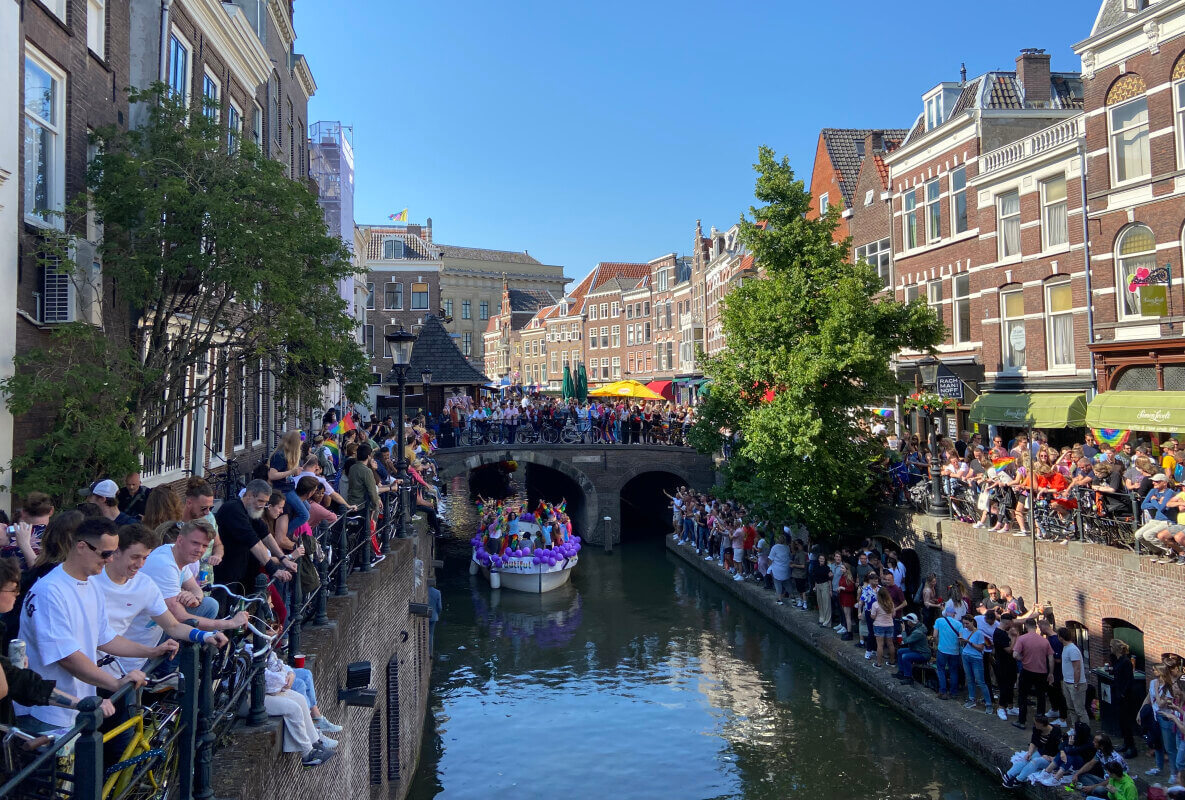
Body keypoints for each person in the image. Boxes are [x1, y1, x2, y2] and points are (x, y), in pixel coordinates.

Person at [15, 518, 175, 730]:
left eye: (113, 552)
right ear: (81, 546)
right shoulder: (49, 592)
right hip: (46, 712)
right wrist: (115, 683)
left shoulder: (90, 585)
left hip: (76, 707)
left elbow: (105, 637)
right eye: (105, 553)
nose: (110, 560)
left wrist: (152, 651)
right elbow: (67, 657)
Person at [92, 524, 239, 676]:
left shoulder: (145, 583)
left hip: (132, 667)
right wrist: (229, 623)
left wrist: (207, 635)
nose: (140, 565)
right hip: (98, 667)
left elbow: (173, 626)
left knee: (209, 605)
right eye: (135, 557)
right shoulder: (92, 581)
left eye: (145, 558)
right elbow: (103, 640)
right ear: (116, 552)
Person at [0, 557, 114, 725]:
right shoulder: (48, 590)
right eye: (13, 589)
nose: (18, 594)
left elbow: (20, 682)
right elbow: (4, 687)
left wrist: (79, 703)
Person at [213, 481, 295, 594]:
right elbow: (253, 541)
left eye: (265, 502)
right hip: (227, 575)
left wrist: (283, 558)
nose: (262, 505)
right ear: (249, 495)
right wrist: (273, 569)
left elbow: (265, 534)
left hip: (243, 574)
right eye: (260, 501)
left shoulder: (251, 510)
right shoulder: (233, 509)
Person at [1012, 617, 1055, 730]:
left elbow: (1015, 655)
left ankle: (1021, 721)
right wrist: (1050, 673)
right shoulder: (1044, 641)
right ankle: (1040, 723)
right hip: (1042, 672)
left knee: (1022, 695)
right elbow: (1051, 658)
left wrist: (1023, 659)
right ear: (1036, 627)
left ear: (1026, 626)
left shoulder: (1022, 639)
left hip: (1027, 670)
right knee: (1041, 697)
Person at [1001, 714, 1062, 787]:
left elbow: (1061, 749)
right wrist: (1029, 753)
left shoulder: (1056, 731)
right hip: (1042, 752)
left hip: (1052, 758)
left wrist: (1052, 758)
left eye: (1036, 723)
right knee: (1027, 759)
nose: (1034, 724)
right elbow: (1033, 741)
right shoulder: (1036, 729)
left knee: (1035, 761)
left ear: (1041, 724)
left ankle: (1019, 780)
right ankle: (1009, 775)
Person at [269, 431, 309, 533]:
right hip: (283, 490)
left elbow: (287, 474)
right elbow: (272, 475)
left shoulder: (288, 454)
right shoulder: (280, 455)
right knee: (305, 515)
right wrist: (292, 471)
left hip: (289, 487)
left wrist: (294, 473)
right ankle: (286, 533)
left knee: (308, 507)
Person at [1107, 639, 1139, 758]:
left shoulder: (1126, 662)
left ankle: (1131, 746)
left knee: (1126, 721)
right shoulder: (1117, 660)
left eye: (1111, 647)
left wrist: (1123, 694)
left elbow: (1129, 680)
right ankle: (1126, 743)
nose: (1110, 648)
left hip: (1125, 696)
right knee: (1121, 721)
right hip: (1118, 694)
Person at [959, 613, 993, 715]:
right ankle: (971, 699)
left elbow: (981, 648)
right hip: (965, 656)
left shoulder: (979, 633)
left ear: (972, 622)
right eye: (964, 623)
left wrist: (968, 642)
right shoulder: (963, 631)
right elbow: (962, 644)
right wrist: (962, 641)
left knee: (980, 681)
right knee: (969, 679)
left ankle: (989, 704)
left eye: (967, 623)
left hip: (976, 658)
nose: (965, 626)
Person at [1059, 627, 1088, 728]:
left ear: (1061, 637)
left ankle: (1085, 731)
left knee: (1080, 710)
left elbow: (1077, 668)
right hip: (1067, 682)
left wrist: (1076, 683)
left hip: (1076, 684)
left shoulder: (1072, 649)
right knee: (1071, 709)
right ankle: (1074, 729)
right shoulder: (1066, 648)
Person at [893, 613, 930, 684]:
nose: (906, 622)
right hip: (916, 649)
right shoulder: (917, 627)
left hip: (923, 653)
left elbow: (906, 641)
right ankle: (901, 672)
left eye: (907, 621)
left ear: (910, 622)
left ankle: (908, 677)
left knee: (905, 657)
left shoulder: (917, 632)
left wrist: (903, 630)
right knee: (900, 651)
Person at [810, 553, 832, 628]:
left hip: (825, 585)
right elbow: (815, 578)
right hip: (818, 585)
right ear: (818, 559)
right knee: (820, 603)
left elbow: (829, 580)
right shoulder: (816, 567)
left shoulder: (827, 568)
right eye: (820, 558)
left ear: (825, 560)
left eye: (823, 559)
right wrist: (815, 587)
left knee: (826, 604)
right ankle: (821, 618)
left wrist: (830, 590)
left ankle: (827, 622)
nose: (821, 560)